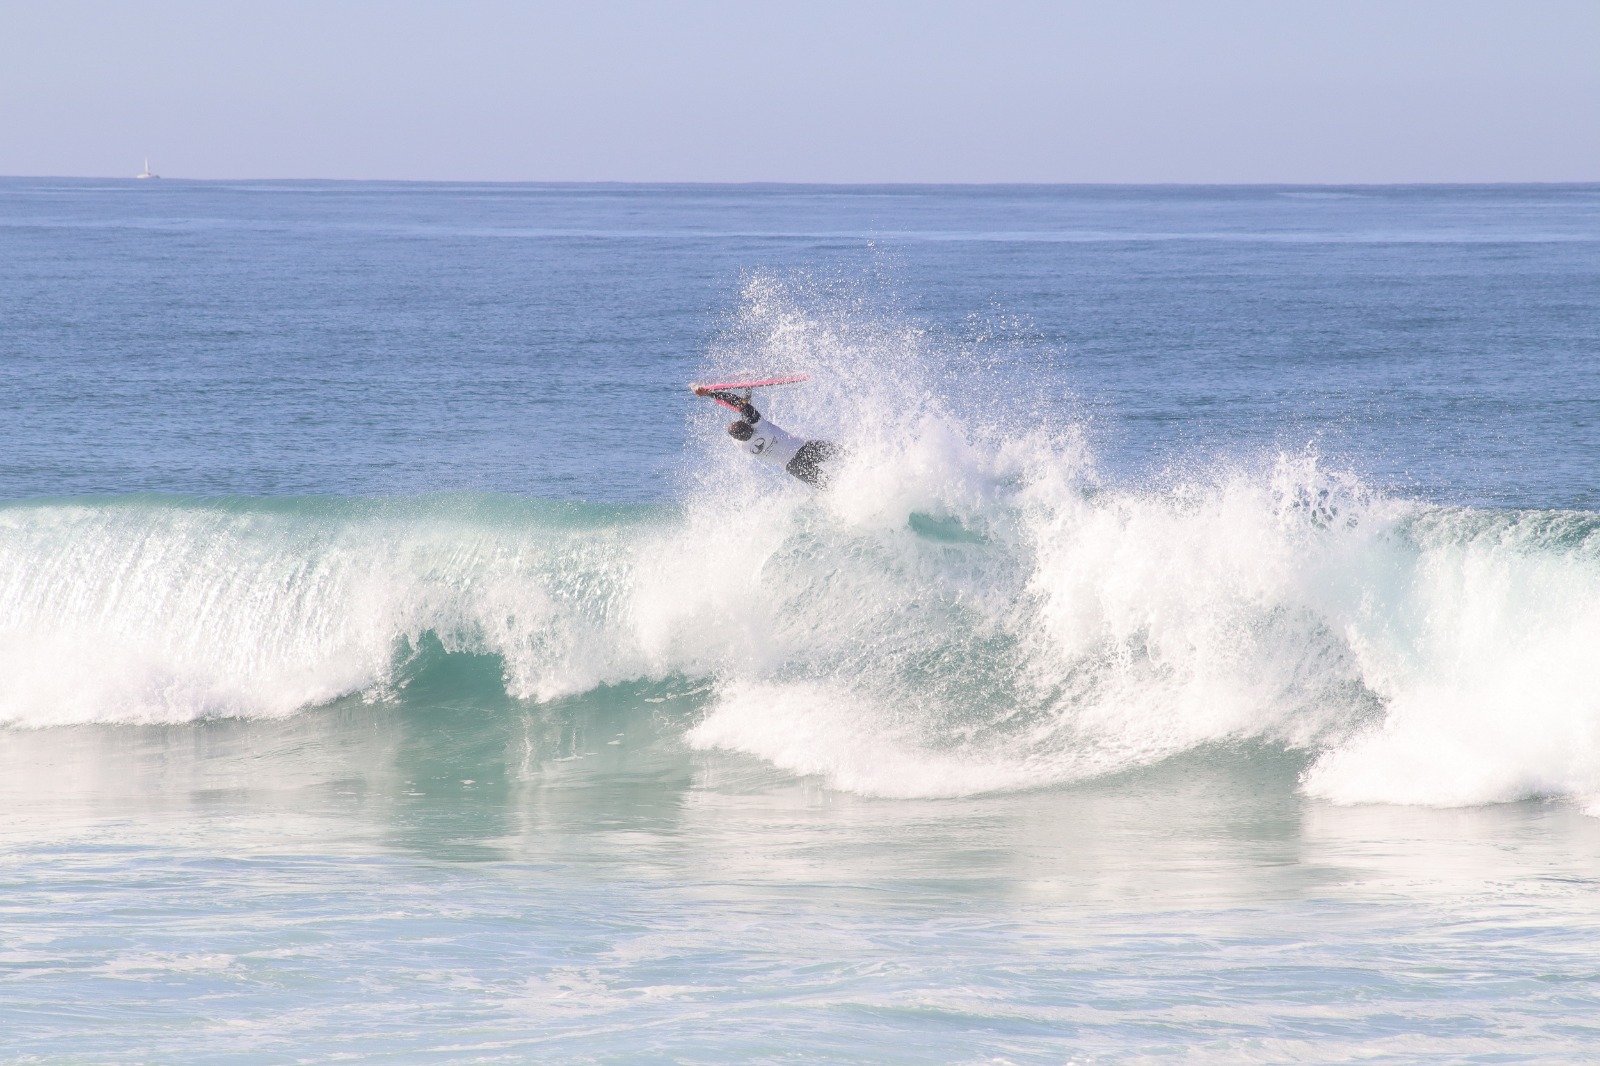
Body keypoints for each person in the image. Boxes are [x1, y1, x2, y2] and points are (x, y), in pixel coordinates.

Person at [698, 390, 836, 487]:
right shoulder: (760, 426)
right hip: (804, 450)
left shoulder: (742, 446)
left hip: (794, 468)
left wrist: (747, 393)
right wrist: (709, 393)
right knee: (846, 456)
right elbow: (741, 406)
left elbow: (744, 411)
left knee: (831, 486)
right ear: (749, 425)